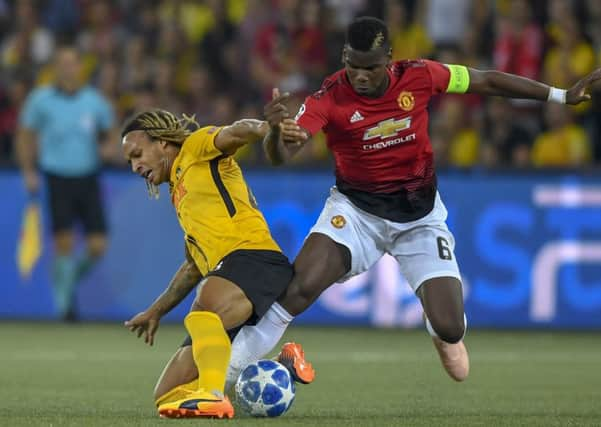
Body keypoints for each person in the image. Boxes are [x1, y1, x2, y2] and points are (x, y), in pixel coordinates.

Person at [258, 16, 601, 383]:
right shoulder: (327, 97)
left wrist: (560, 95)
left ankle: (437, 324)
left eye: (370, 68)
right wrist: (278, 136)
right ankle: (220, 378)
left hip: (419, 218)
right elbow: (281, 154)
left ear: (388, 58)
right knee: (299, 287)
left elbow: (485, 80)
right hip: (357, 212)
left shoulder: (420, 75)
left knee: (452, 330)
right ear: (344, 56)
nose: (359, 76)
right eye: (352, 65)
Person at [120, 108, 314, 419]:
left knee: (205, 309)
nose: (134, 166)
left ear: (162, 143)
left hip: (254, 256)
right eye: (129, 161)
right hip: (228, 275)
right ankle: (282, 366)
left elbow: (238, 130)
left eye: (137, 154)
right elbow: (193, 268)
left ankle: (211, 395)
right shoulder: (180, 196)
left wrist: (268, 129)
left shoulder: (196, 148)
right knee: (167, 395)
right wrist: (156, 311)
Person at [16, 45, 118, 321]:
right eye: (63, 63)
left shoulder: (94, 101)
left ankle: (67, 283)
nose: (68, 68)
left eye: (73, 63)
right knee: (64, 243)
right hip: (57, 176)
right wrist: (28, 170)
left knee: (98, 246)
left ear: (80, 67)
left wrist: (110, 147)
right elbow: (25, 135)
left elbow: (112, 131)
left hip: (87, 176)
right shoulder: (40, 100)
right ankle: (64, 308)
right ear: (55, 68)